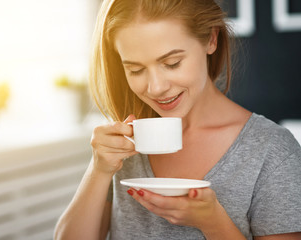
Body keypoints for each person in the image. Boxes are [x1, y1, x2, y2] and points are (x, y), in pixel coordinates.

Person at [54, 0, 301, 239]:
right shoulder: (126, 144)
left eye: (172, 63)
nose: (155, 87)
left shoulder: (272, 151)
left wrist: (213, 222)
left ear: (211, 39)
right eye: (135, 70)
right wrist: (99, 169)